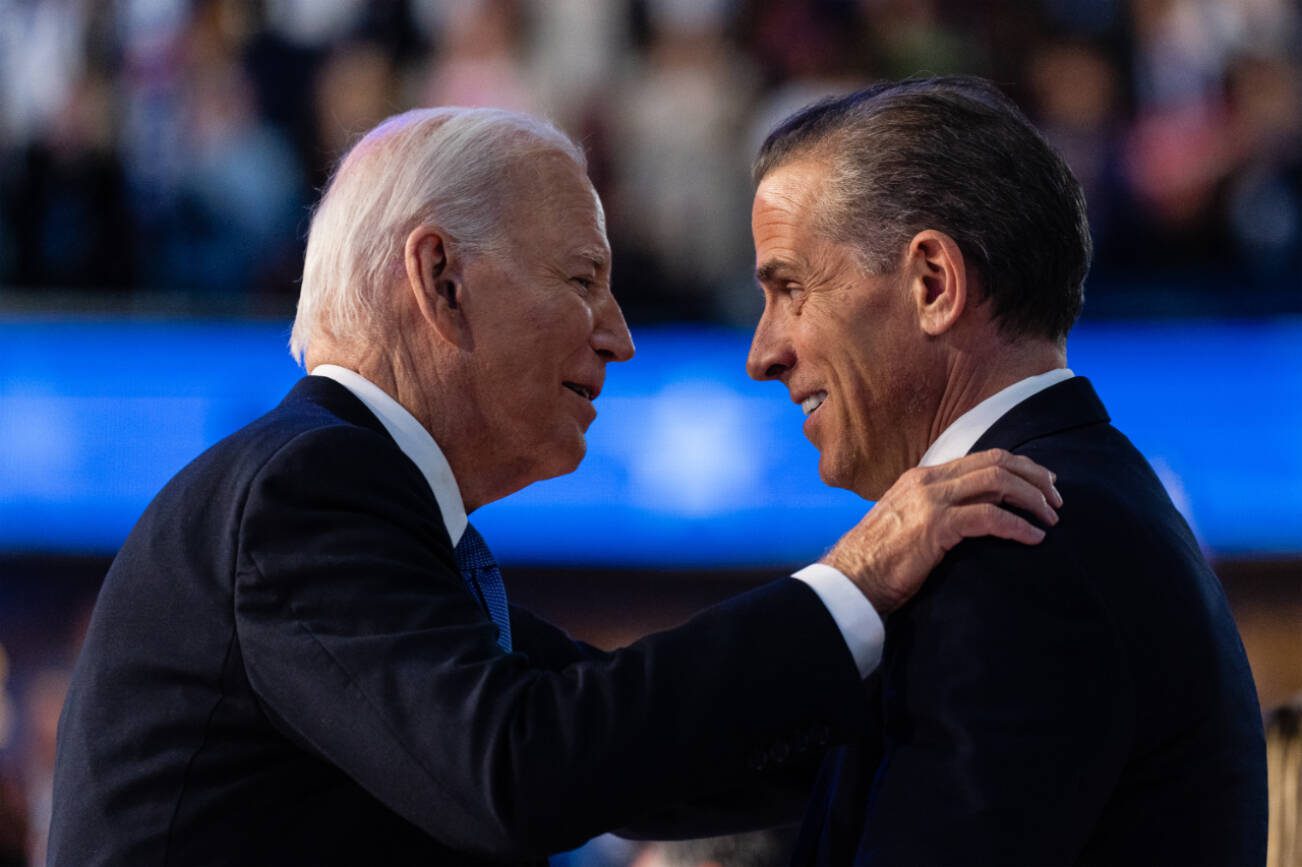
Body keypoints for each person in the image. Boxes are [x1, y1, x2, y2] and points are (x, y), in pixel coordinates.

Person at [47, 107, 1060, 866]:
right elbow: (523, 769)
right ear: (440, 280)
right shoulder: (307, 488)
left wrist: (945, 694)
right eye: (582, 282)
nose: (618, 335)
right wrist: (855, 578)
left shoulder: (364, 510)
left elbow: (632, 758)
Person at [745, 76, 1267, 866]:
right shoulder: (1089, 501)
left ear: (932, 283)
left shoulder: (1018, 539)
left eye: (790, 289)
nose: (763, 352)